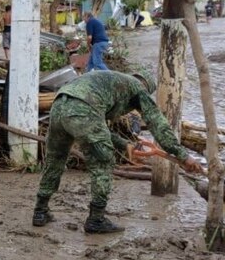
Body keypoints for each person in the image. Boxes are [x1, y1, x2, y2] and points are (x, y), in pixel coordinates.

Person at [32, 71, 205, 234]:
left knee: (55, 159)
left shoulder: (112, 83)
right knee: (104, 163)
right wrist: (183, 155)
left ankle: (40, 211)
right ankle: (96, 219)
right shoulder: (138, 89)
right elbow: (158, 124)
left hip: (58, 106)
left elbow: (96, 124)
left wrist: (125, 144)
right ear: (146, 88)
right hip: (83, 109)